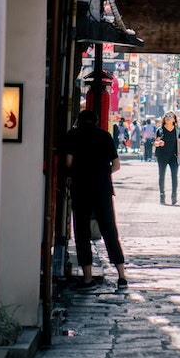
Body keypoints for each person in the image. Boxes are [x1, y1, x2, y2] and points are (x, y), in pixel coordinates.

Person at [63, 109, 128, 289]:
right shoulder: (105, 136)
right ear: (96, 121)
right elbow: (116, 165)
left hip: (81, 189)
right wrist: (102, 173)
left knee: (82, 232)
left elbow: (68, 162)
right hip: (102, 189)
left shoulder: (73, 135)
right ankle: (122, 276)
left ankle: (88, 278)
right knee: (109, 230)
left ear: (79, 121)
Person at [154, 111, 180, 205]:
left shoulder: (177, 130)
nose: (168, 117)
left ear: (174, 119)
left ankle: (174, 196)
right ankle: (162, 195)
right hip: (162, 155)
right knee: (161, 175)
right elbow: (155, 143)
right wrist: (159, 143)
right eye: (167, 116)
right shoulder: (160, 130)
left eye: (171, 116)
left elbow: (179, 141)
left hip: (173, 156)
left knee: (174, 176)